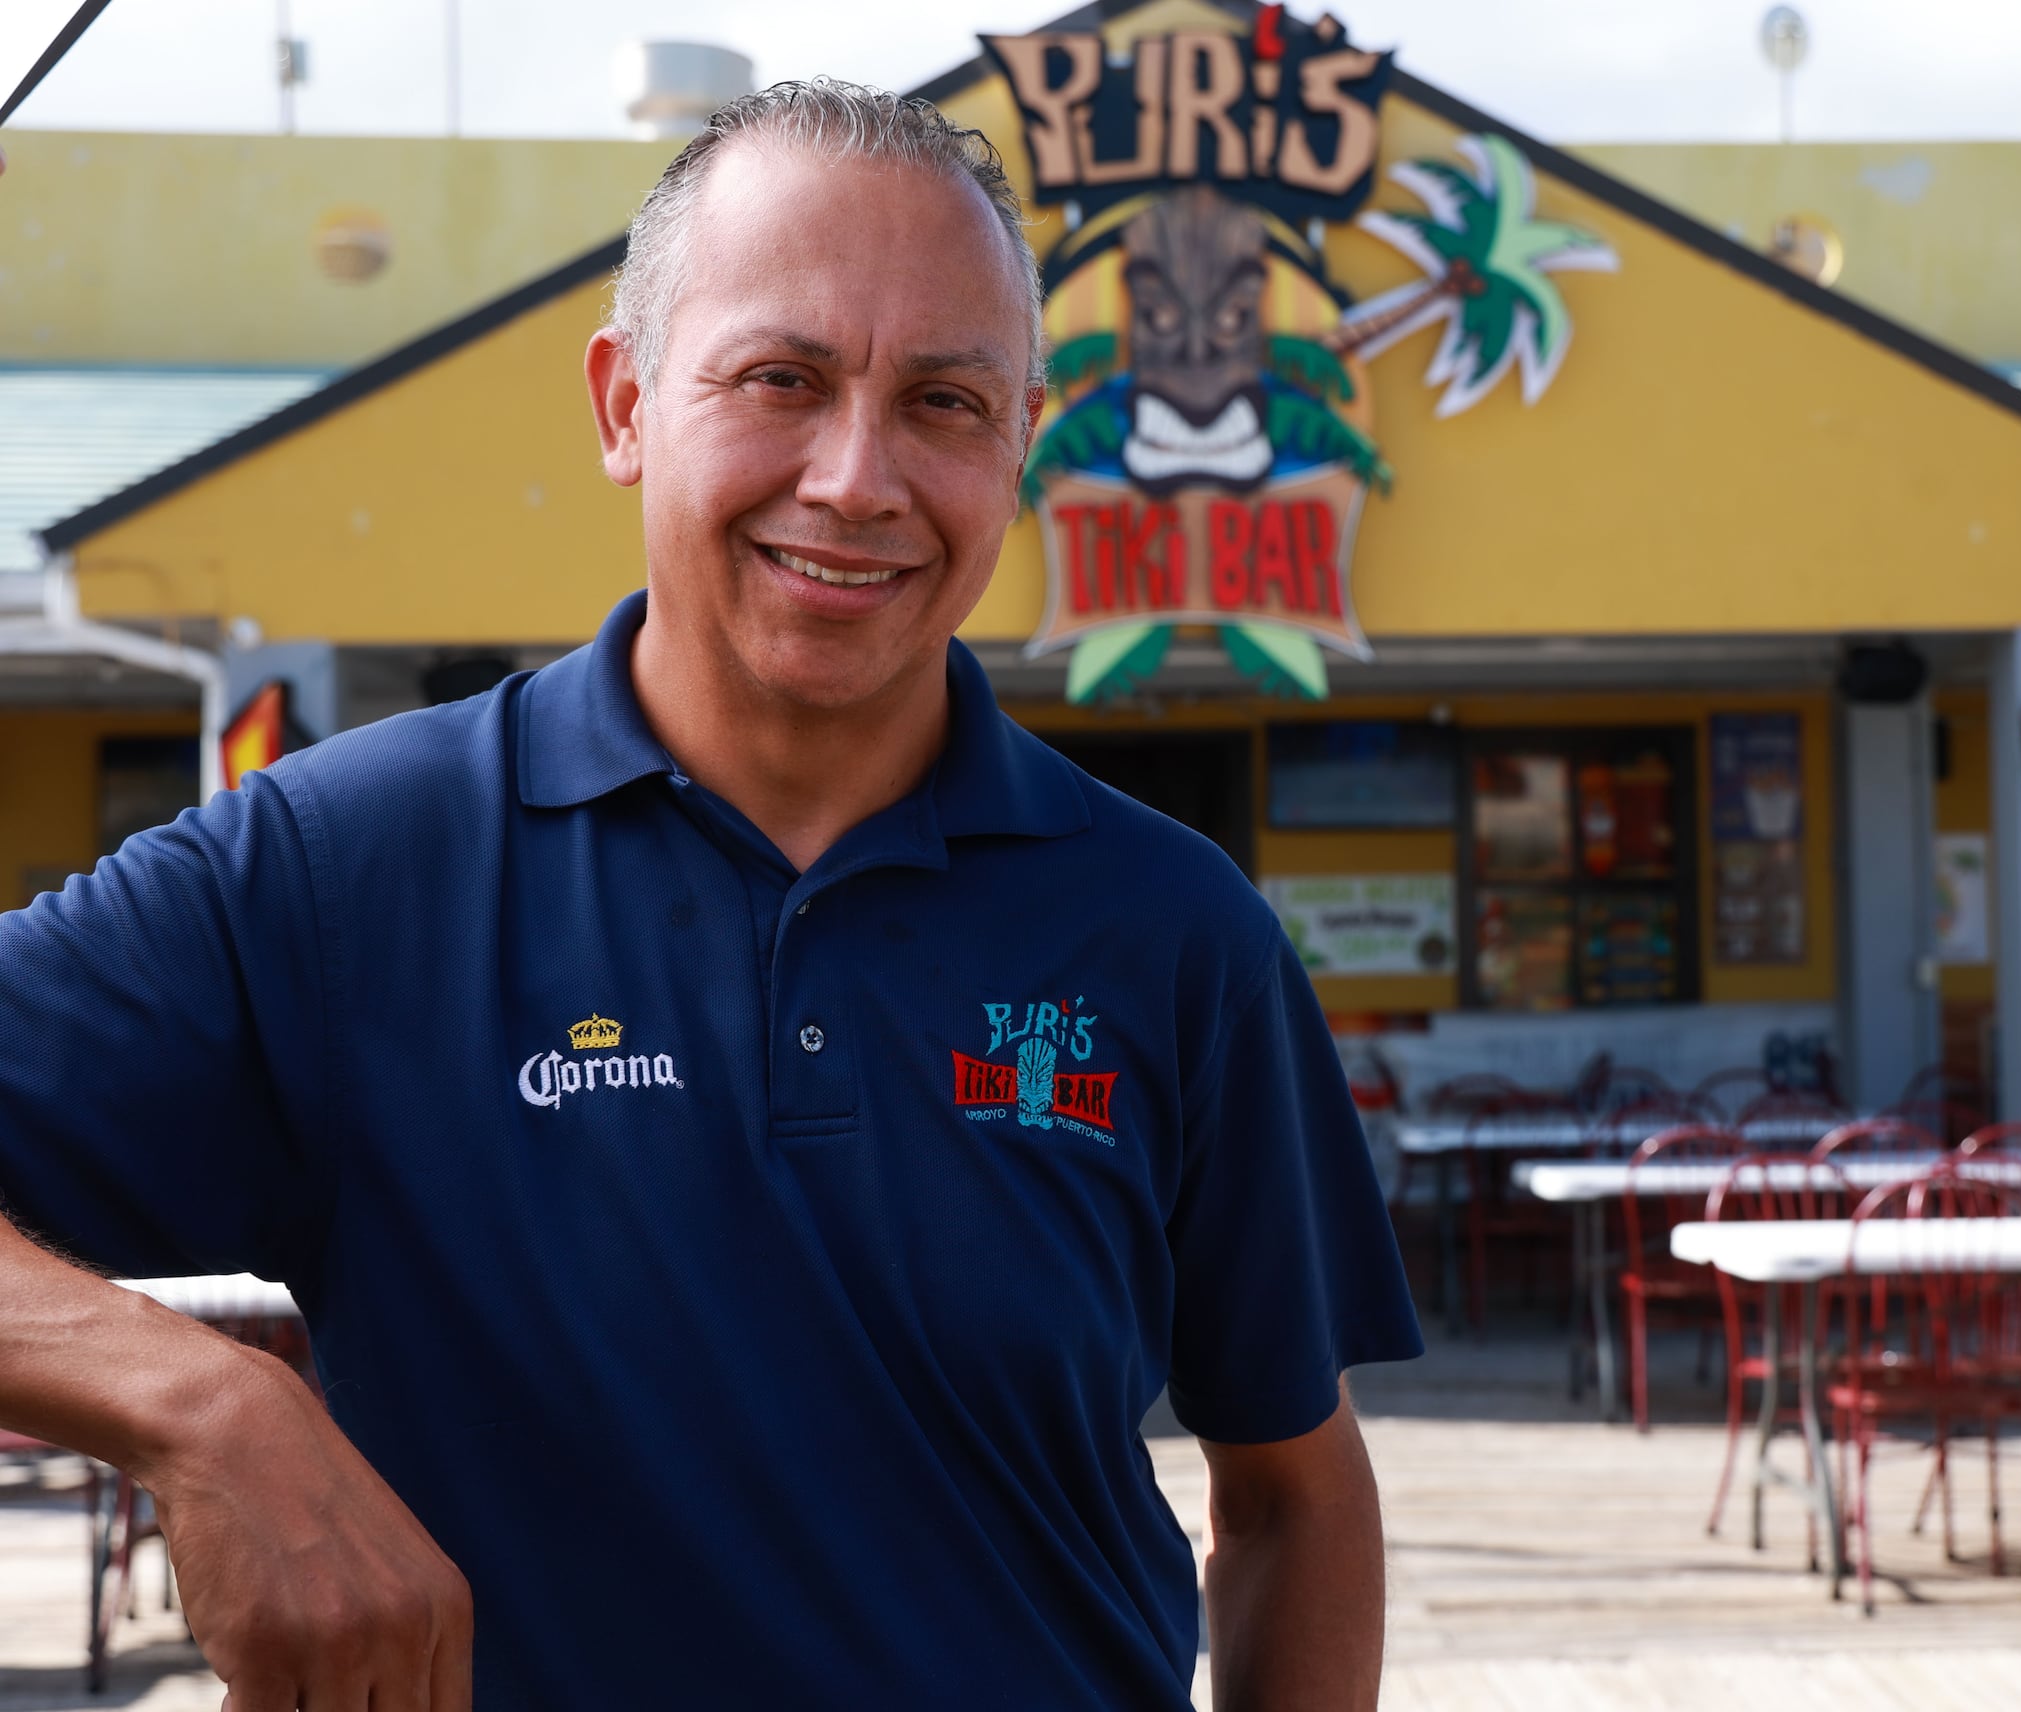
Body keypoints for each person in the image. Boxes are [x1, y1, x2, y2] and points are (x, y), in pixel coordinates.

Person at [0, 82, 1421, 1710]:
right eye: (782, 379)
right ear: (624, 405)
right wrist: (203, 1406)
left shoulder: (1175, 931)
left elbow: (1298, 1495)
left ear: (1024, 437)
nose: (855, 477)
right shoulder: (341, 874)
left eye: (945, 402)